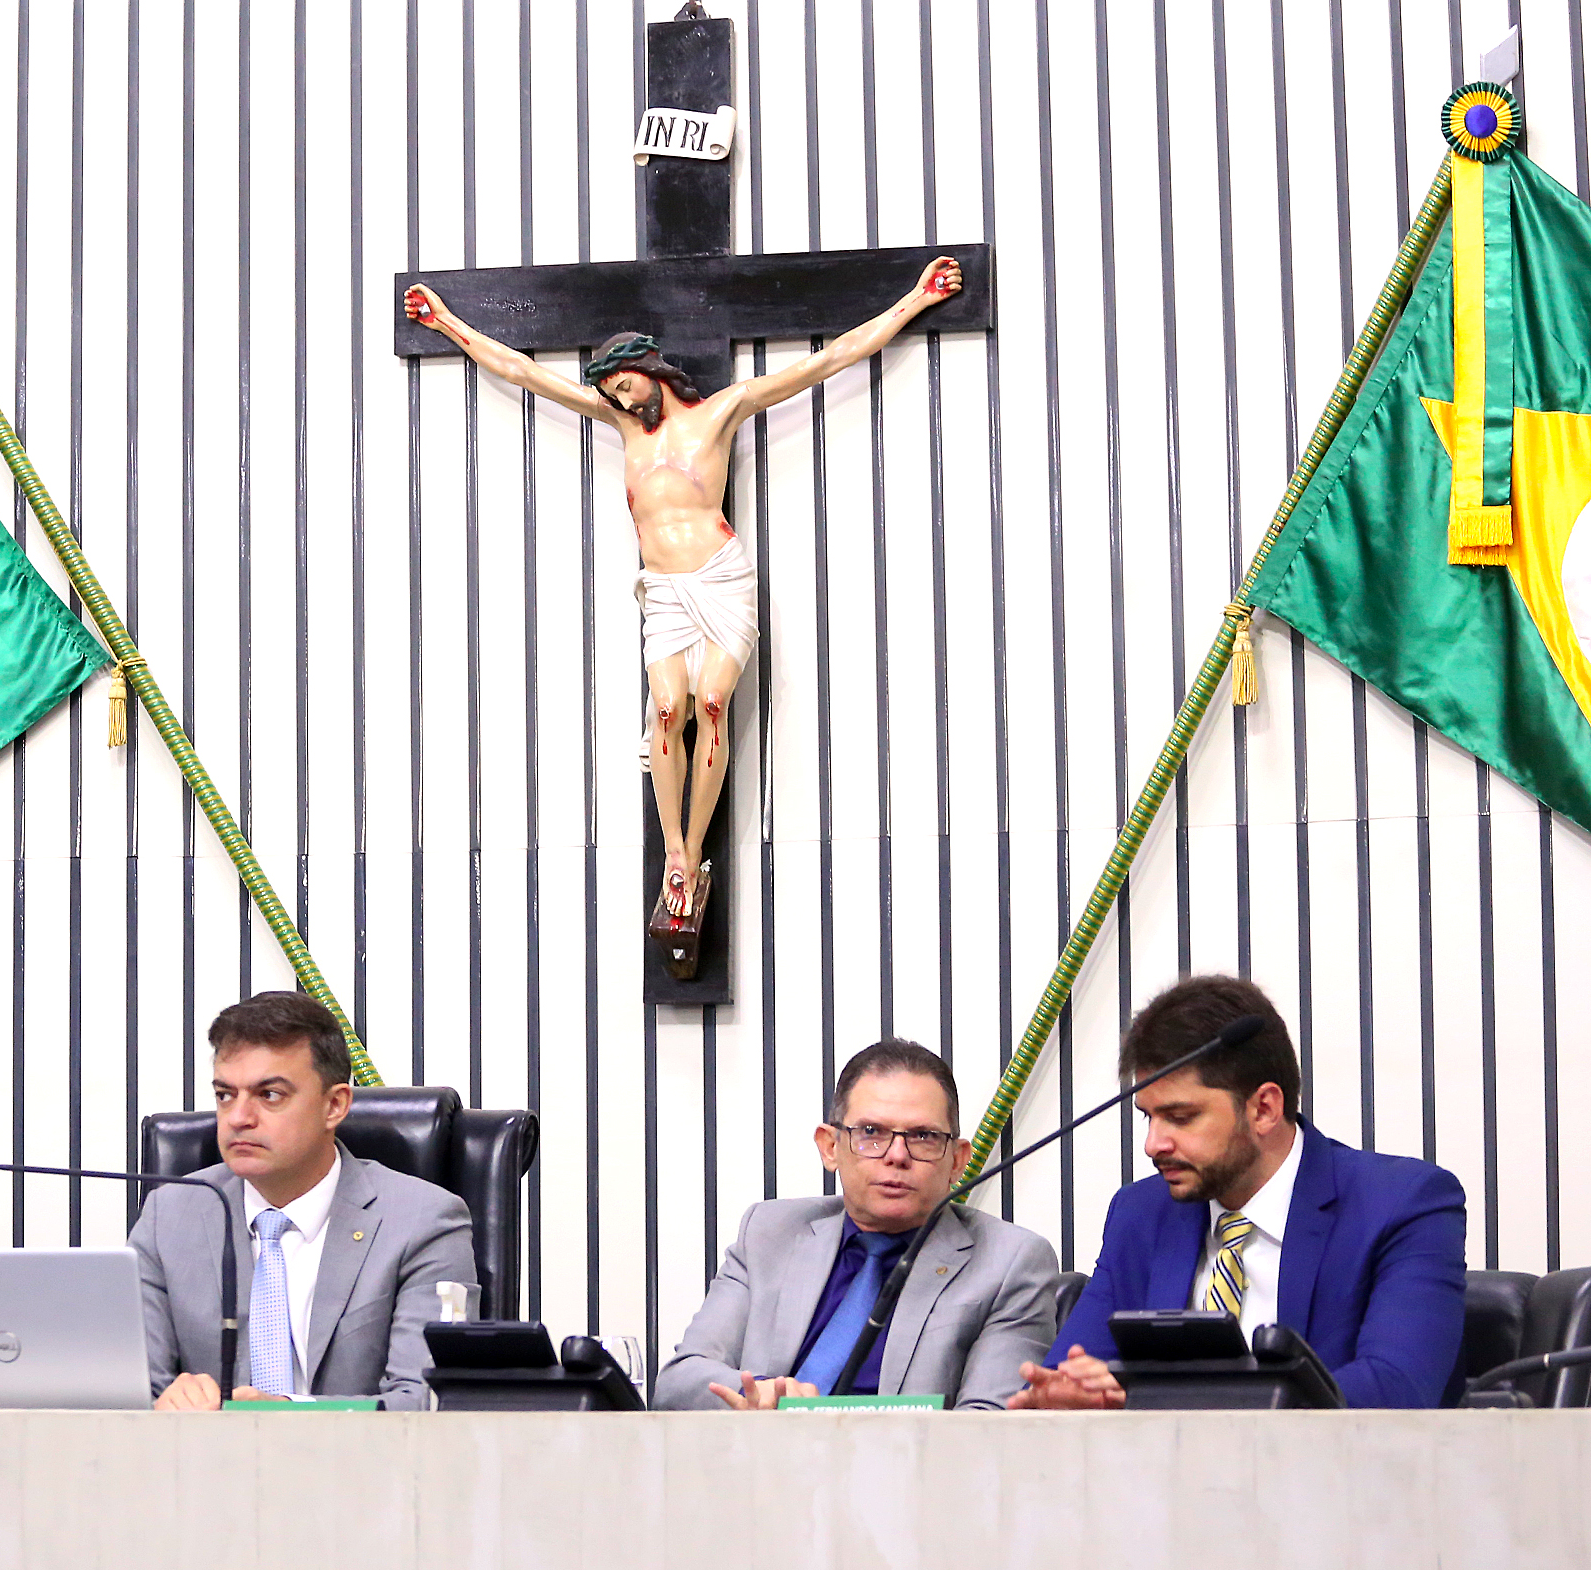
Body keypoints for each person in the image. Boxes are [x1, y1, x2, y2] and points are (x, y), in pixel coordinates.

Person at [403, 260, 960, 949]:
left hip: (720, 578)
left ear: (650, 369)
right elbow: (522, 372)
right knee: (669, 709)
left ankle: (695, 847)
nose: (617, 396)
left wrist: (915, 299)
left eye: (623, 383)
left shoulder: (721, 412)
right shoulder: (623, 428)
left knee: (713, 703)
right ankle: (676, 850)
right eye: (609, 390)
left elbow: (830, 359)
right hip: (664, 590)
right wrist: (447, 323)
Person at [1011, 974, 1466, 1411]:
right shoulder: (1141, 1213)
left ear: (1264, 1109)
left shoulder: (1402, 1204)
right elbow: (1065, 1377)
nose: (1153, 1144)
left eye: (1181, 1117)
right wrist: (1066, 1396)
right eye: (1148, 1117)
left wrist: (1157, 1398)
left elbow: (1395, 1390)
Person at [654, 1040, 1060, 1411]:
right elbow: (677, 1384)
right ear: (830, 1147)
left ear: (957, 1160)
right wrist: (758, 1396)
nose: (897, 1155)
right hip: (757, 1460)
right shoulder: (769, 1232)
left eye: (922, 1136)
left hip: (907, 1466)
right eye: (871, 1133)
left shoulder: (1010, 1263)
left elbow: (990, 1424)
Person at [130, 991, 476, 1411]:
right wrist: (166, 1403)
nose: (238, 1118)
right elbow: (126, 1390)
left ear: (334, 1105)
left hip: (359, 1455)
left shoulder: (423, 1222)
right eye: (225, 1095)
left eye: (270, 1095)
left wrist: (284, 1410)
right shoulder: (169, 1215)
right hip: (199, 1452)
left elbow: (425, 1400)